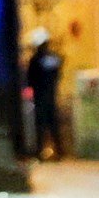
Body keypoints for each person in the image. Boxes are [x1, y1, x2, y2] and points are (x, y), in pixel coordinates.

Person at [25, 27, 65, 161]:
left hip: (39, 97)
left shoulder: (35, 60)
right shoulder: (54, 58)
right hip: (51, 95)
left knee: (40, 126)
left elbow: (29, 79)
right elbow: (58, 75)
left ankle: (39, 153)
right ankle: (59, 152)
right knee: (53, 125)